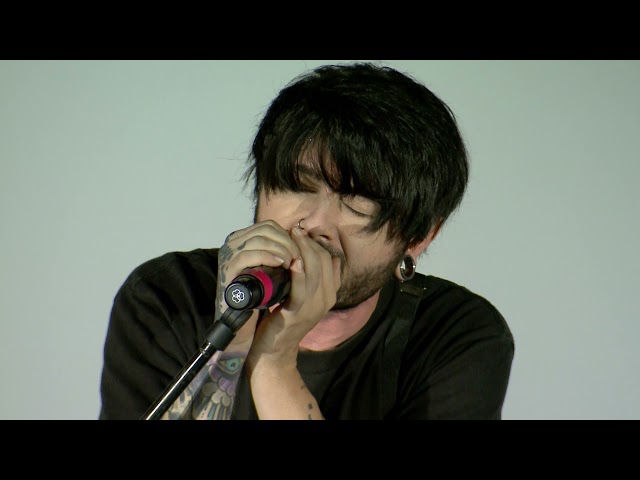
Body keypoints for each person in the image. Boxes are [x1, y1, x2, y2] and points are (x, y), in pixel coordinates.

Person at [98, 61, 514, 420]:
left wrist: (274, 361)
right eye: (297, 186)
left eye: (356, 202)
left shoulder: (458, 337)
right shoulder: (166, 298)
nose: (313, 225)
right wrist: (232, 346)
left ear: (419, 236)